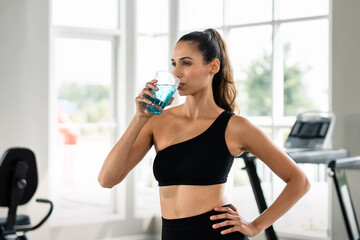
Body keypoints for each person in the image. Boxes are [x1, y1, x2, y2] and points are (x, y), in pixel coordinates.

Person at [98, 28, 310, 240]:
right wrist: (139, 118)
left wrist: (255, 226)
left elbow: (299, 181)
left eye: (186, 63)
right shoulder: (157, 121)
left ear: (213, 66)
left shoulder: (235, 127)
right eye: (174, 63)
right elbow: (107, 179)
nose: (177, 72)